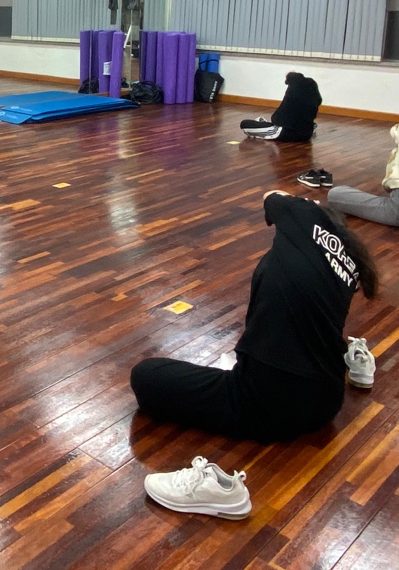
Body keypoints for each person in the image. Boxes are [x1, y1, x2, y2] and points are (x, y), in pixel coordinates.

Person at [129, 190, 379, 444]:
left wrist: (303, 203)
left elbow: (272, 195)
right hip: (328, 404)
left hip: (267, 406)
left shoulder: (302, 217)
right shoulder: (348, 264)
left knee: (145, 376)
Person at [242, 72, 321, 142]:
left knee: (244, 124)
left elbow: (278, 118)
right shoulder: (312, 86)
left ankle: (261, 124)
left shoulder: (293, 91)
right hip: (307, 132)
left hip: (285, 132)